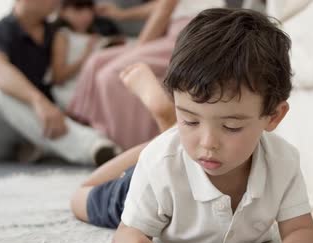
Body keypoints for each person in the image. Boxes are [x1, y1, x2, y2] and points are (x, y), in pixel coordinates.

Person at [70, 8, 313, 243]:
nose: (207, 143)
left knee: (172, 145)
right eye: (189, 120)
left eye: (230, 126)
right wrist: (130, 242)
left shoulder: (282, 161)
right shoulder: (159, 166)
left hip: (171, 159)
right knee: (81, 198)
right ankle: (162, 134)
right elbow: (129, 233)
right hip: (150, 188)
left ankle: (170, 127)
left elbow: (301, 231)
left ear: (273, 117)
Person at [66, 0, 226, 152]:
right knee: (97, 60)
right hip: (178, 32)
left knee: (112, 74)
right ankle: (85, 126)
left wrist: (138, 49)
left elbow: (165, 8)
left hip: (193, 36)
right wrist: (121, 15)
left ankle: (130, 146)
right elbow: (163, 5)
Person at [0, 0, 118, 165]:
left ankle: (40, 148)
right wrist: (38, 101)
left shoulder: (55, 33)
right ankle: (95, 147)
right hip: (8, 128)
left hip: (49, 123)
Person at [50, 0, 122, 110]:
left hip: (97, 86)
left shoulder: (96, 35)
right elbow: (58, 77)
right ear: (63, 11)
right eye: (78, 9)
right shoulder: (63, 35)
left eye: (89, 9)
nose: (86, 15)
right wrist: (87, 55)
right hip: (73, 90)